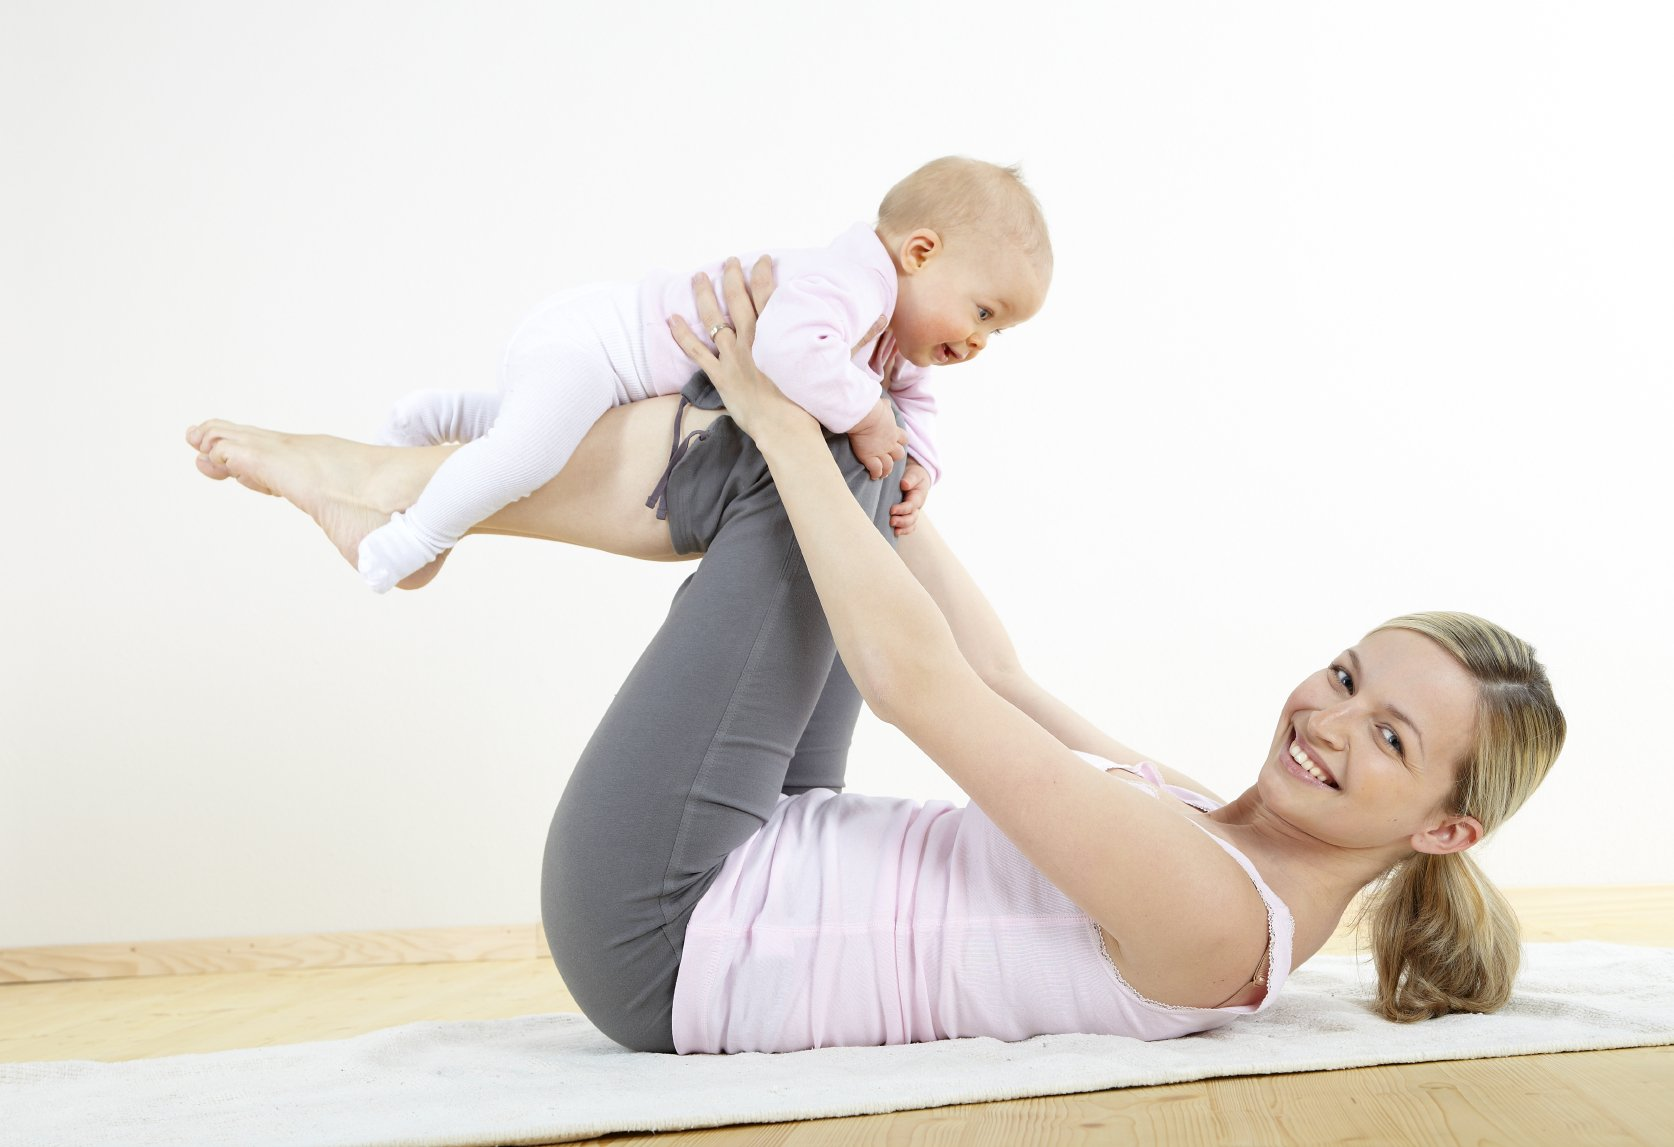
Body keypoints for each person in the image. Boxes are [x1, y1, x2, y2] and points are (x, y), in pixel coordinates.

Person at [185, 259, 1564, 1054]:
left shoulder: (1216, 919)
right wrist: (886, 470)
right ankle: (415, 495)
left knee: (786, 459)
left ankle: (400, 494)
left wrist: (791, 424)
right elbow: (1002, 678)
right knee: (836, 463)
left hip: (667, 927)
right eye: (1347, 677)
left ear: (1445, 826)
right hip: (766, 847)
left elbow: (923, 688)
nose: (1329, 719)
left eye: (1389, 737)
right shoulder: (1217, 826)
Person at [353, 156, 1051, 593]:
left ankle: (438, 414)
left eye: (997, 331)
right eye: (983, 312)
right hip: (599, 342)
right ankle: (416, 537)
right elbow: (791, 351)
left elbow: (912, 402)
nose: (980, 341)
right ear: (920, 253)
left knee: (552, 432)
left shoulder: (894, 337)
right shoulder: (854, 283)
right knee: (530, 455)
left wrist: (920, 463)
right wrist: (868, 416)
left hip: (609, 370)